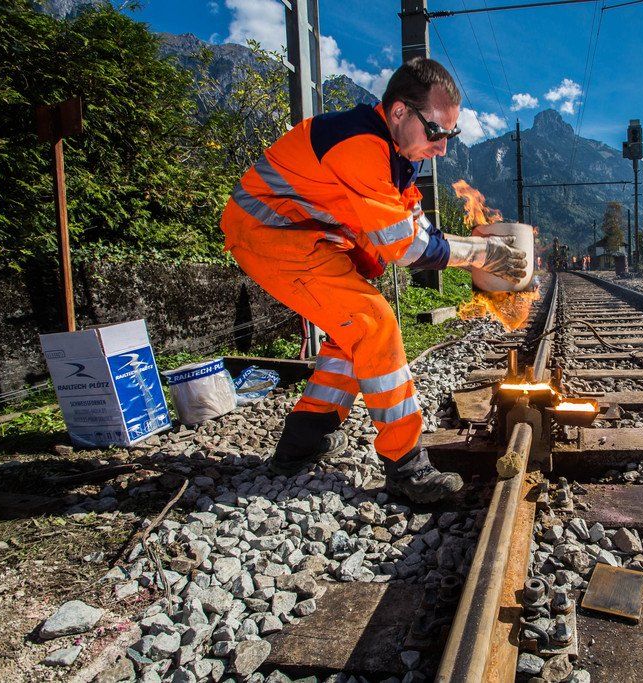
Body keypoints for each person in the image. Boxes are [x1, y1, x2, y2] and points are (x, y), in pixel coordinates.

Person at [219, 58, 527, 503]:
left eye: (450, 135)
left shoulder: (397, 155)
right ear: (399, 112)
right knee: (374, 322)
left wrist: (472, 249)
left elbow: (419, 228)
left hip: (308, 237)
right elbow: (407, 247)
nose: (442, 148)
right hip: (271, 233)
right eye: (436, 132)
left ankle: (304, 439)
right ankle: (406, 465)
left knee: (351, 333)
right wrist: (483, 253)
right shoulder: (361, 146)